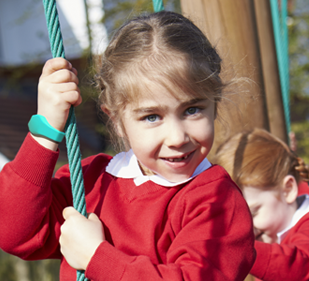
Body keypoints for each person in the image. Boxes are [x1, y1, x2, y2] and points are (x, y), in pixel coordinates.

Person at [0, 12, 256, 281]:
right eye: (151, 117)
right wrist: (45, 132)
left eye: (192, 110)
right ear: (118, 121)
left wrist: (96, 257)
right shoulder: (93, 181)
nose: (177, 137)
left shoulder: (216, 201)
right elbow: (14, 232)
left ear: (214, 104)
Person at [214, 128, 309, 281]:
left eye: (253, 214)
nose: (247, 228)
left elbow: (301, 267)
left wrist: (239, 249)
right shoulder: (272, 239)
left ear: (288, 190)